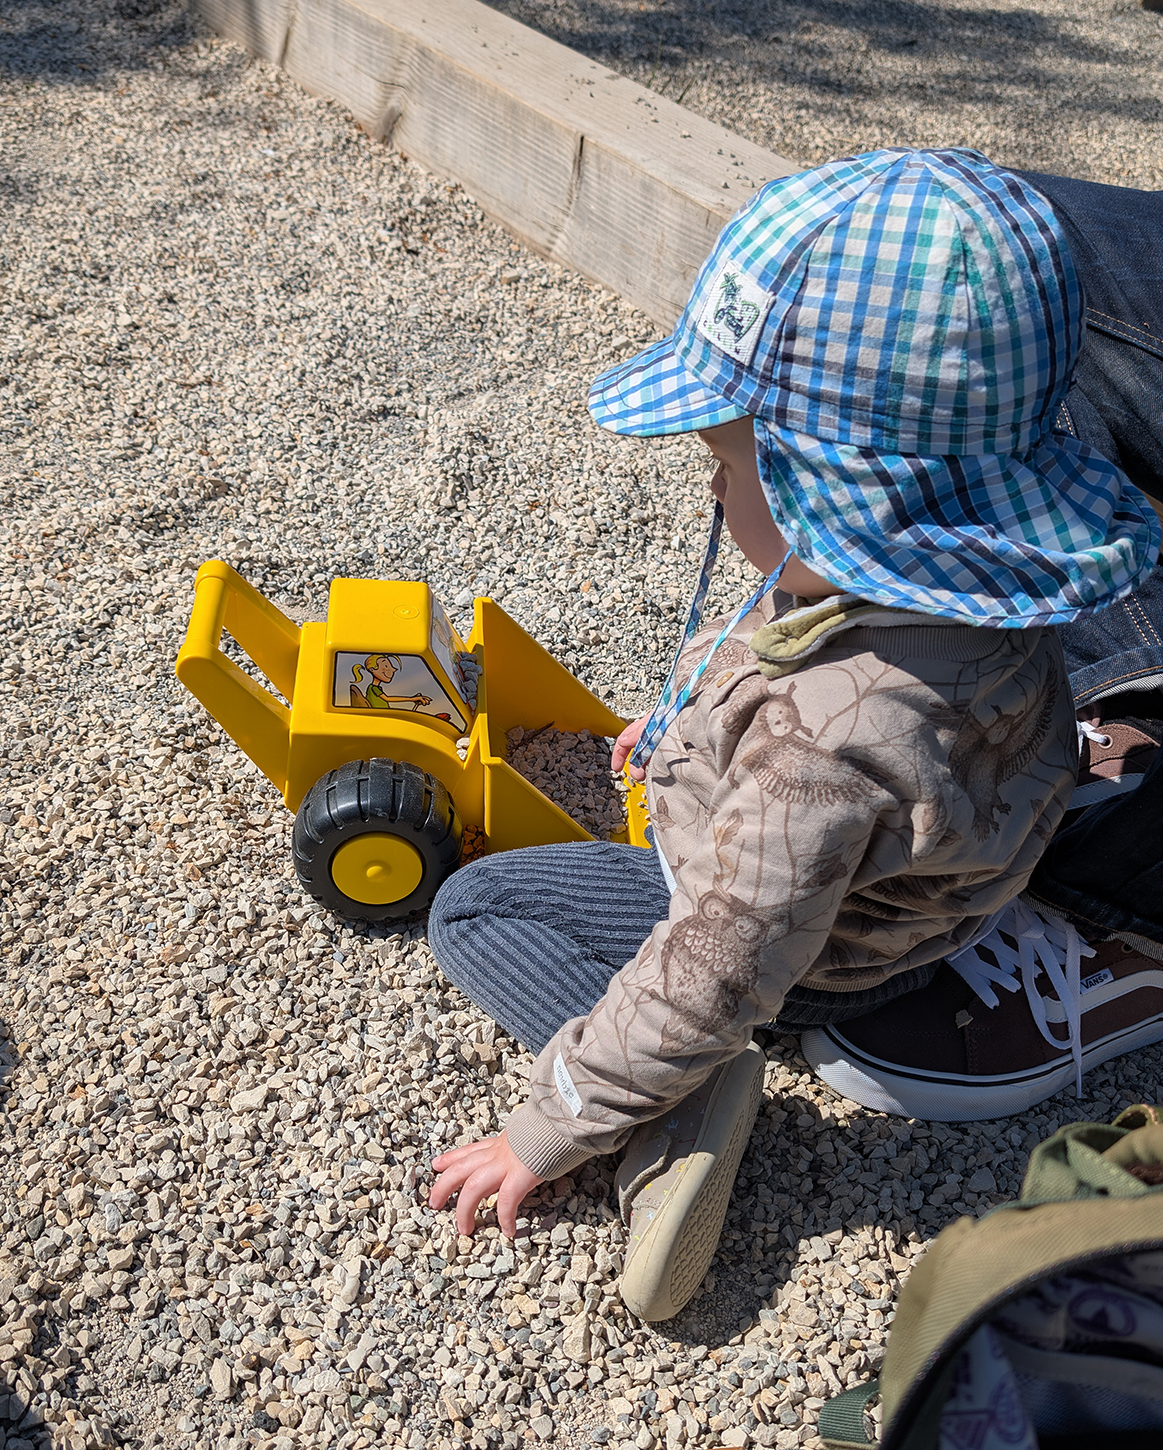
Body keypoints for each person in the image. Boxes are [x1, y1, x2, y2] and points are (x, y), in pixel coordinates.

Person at [426, 148, 1162, 1321]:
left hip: (819, 961)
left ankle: (673, 1115)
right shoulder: (985, 591)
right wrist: (681, 728)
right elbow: (794, 652)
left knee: (482, 909)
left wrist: (548, 1120)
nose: (713, 494)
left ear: (831, 487)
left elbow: (724, 947)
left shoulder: (828, 743)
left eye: (729, 464)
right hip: (942, 879)